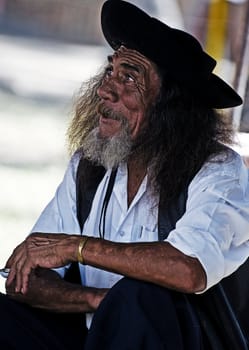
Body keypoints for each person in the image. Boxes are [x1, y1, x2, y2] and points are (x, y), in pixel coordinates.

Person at [1, 1, 249, 349]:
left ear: (171, 106)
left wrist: (78, 248)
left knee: (140, 299)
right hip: (92, 335)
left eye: (129, 77)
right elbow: (25, 277)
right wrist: (98, 301)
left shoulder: (218, 170)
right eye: (110, 72)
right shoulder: (90, 166)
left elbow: (188, 269)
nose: (105, 90)